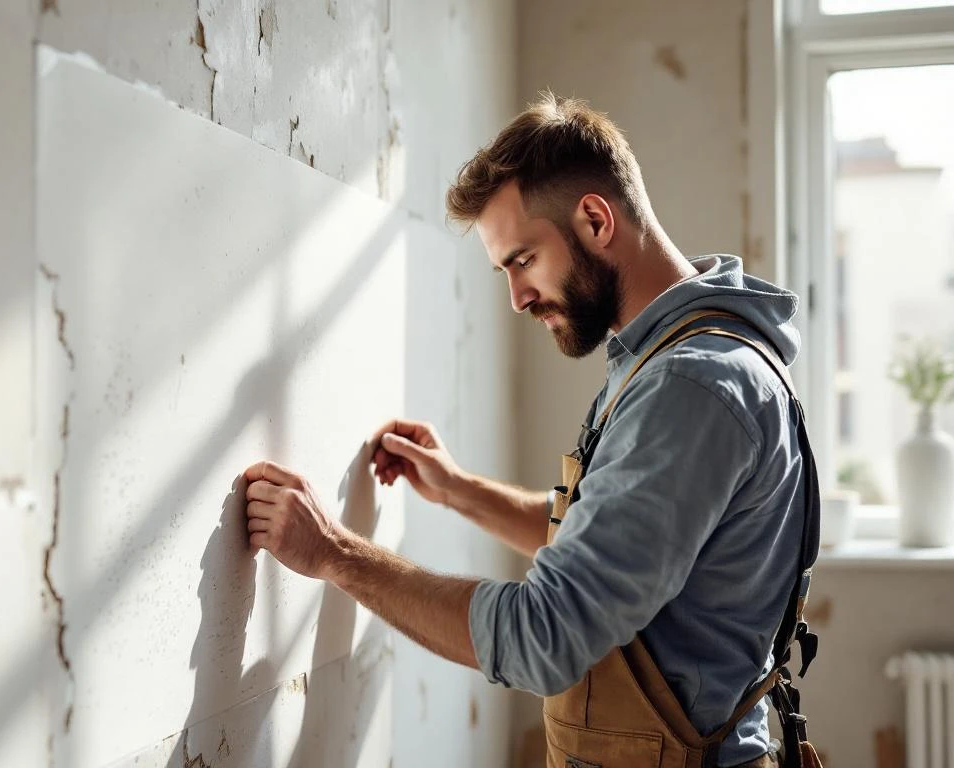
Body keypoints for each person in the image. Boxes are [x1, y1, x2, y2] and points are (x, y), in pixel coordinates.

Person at [241, 93, 821, 768]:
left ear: (596, 220)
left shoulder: (690, 387)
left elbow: (543, 636)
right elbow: (603, 545)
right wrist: (458, 490)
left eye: (523, 260)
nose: (517, 298)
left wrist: (334, 553)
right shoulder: (681, 356)